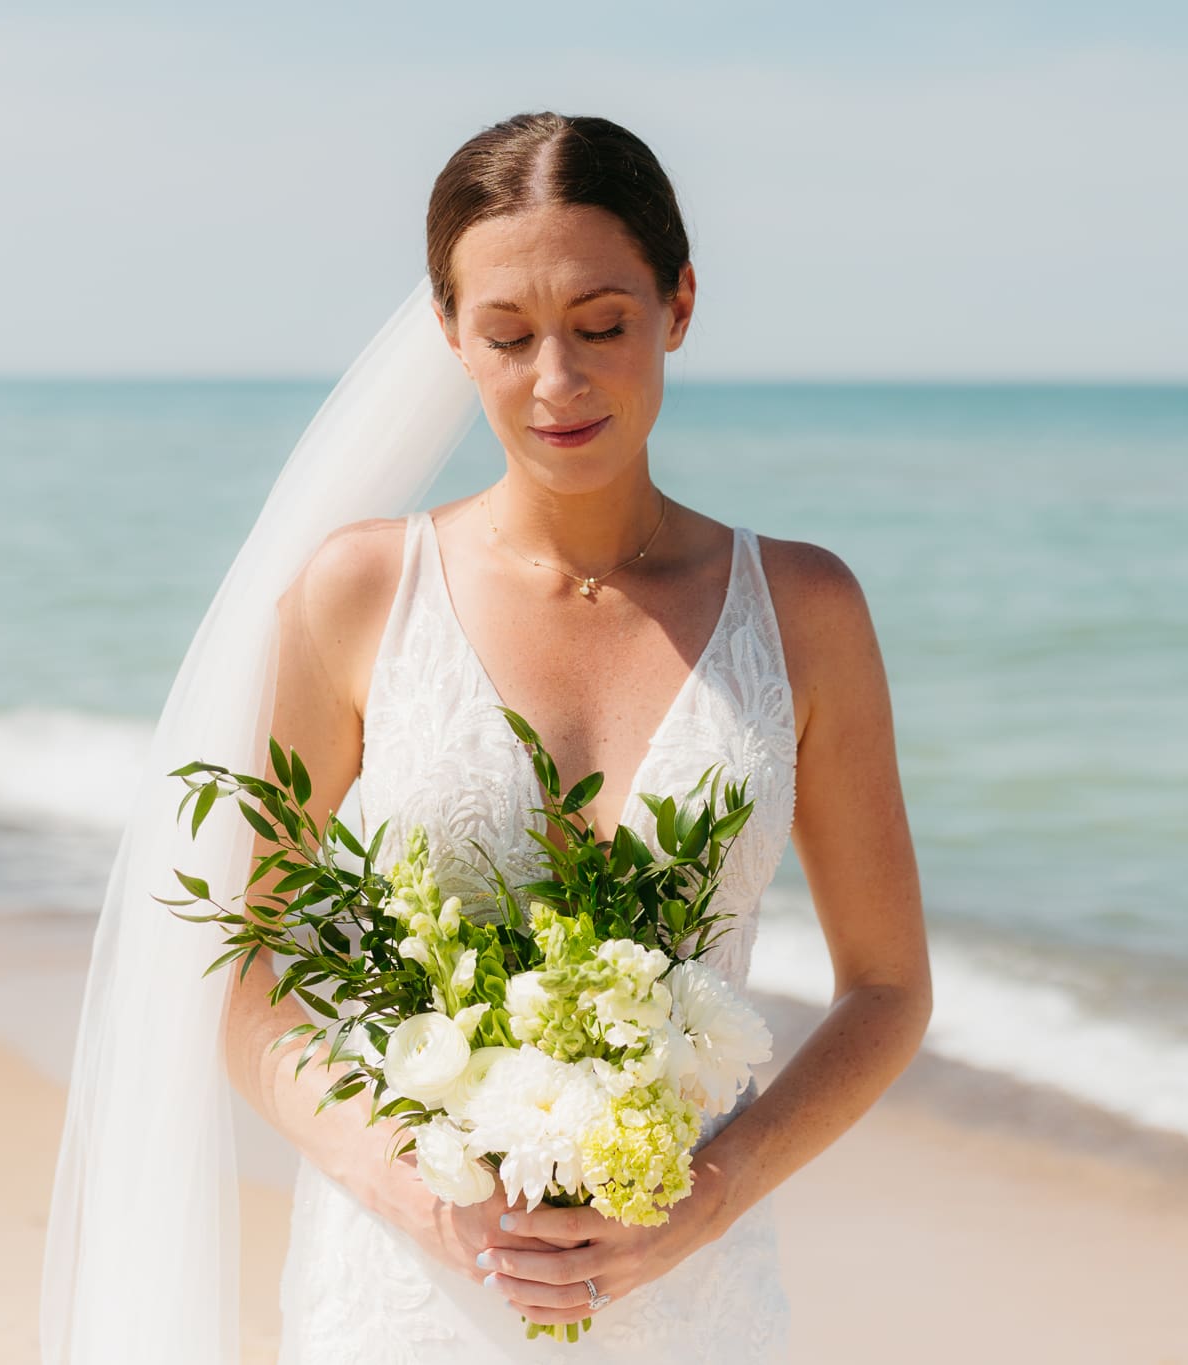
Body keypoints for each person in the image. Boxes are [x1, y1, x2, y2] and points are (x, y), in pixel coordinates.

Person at [224, 111, 934, 1362]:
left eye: (602, 325)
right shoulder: (358, 594)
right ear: (448, 332)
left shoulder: (807, 611)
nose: (556, 382)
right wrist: (415, 1188)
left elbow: (884, 988)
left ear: (680, 304)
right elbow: (250, 979)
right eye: (505, 336)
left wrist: (707, 1198)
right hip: (406, 1289)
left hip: (688, 1291)